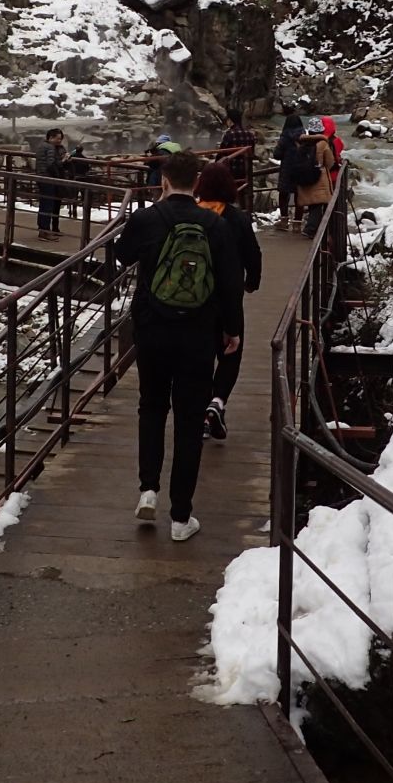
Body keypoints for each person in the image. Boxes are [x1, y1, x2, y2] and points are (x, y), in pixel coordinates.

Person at [112, 150, 243, 540]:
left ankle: (148, 490)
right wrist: (231, 330)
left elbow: (122, 255)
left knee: (151, 406)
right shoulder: (214, 224)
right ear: (197, 182)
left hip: (152, 328)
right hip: (199, 334)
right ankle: (181, 518)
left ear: (165, 180)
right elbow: (230, 282)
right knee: (189, 420)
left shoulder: (148, 218)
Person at [193, 163, 261, 442]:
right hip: (228, 298)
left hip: (195, 299)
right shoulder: (237, 218)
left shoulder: (192, 215)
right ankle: (217, 402)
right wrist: (252, 282)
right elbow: (253, 254)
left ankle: (202, 415)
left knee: (200, 358)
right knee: (231, 351)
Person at [295, 120, 337, 237]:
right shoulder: (322, 144)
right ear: (321, 130)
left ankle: (312, 227)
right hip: (319, 179)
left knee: (312, 204)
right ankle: (311, 230)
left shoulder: (302, 143)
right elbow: (330, 162)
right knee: (317, 205)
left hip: (304, 177)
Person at [272, 105, 306, 230]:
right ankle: (297, 223)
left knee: (283, 194)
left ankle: (284, 221)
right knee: (299, 195)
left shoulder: (285, 137)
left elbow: (277, 154)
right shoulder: (304, 137)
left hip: (287, 169)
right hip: (301, 169)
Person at [219, 107, 256, 211]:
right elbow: (252, 153)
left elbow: (222, 153)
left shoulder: (229, 134)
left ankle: (230, 212)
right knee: (243, 192)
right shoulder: (249, 134)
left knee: (231, 193)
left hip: (232, 170)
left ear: (230, 120)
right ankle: (245, 211)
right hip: (245, 170)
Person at [34, 127, 68, 240]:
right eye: (58, 138)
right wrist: (62, 162)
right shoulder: (50, 147)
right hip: (48, 179)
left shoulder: (41, 145)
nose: (59, 141)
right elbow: (51, 164)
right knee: (47, 205)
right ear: (51, 137)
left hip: (41, 177)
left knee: (44, 204)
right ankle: (45, 232)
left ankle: (43, 229)